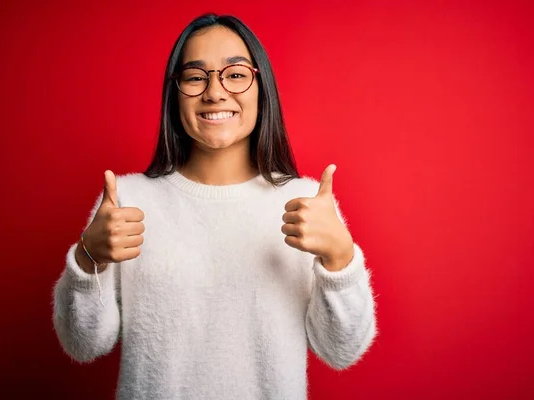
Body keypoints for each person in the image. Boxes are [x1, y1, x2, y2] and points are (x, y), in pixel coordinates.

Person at [52, 13, 377, 400]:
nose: (215, 92)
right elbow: (83, 344)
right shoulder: (126, 201)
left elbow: (341, 350)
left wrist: (340, 259)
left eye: (236, 74)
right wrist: (87, 258)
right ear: (175, 94)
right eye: (195, 77)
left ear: (262, 88)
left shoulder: (308, 205)